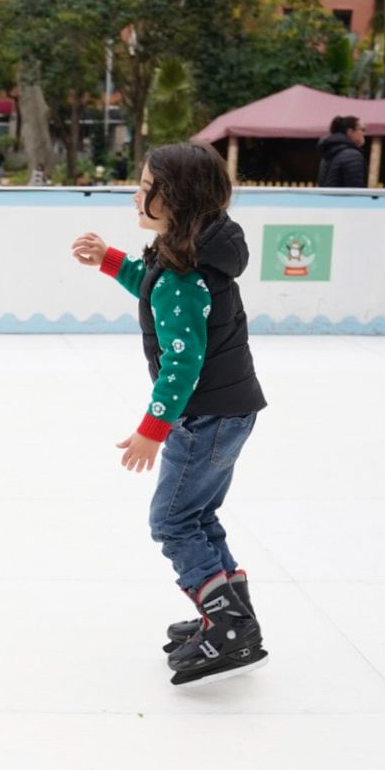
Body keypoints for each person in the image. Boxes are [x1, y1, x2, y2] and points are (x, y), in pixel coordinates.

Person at [69, 142, 269, 687]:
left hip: (205, 416)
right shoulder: (187, 256)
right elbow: (150, 284)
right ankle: (228, 615)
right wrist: (111, 261)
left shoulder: (185, 275)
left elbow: (181, 368)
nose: (136, 193)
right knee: (199, 516)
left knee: (173, 521)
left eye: (146, 186)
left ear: (175, 199)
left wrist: (151, 432)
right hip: (230, 411)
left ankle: (229, 627)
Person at [316, 116, 367, 188]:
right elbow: (356, 191)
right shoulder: (353, 155)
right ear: (350, 132)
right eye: (362, 130)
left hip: (326, 198)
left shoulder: (329, 152)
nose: (364, 134)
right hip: (344, 199)